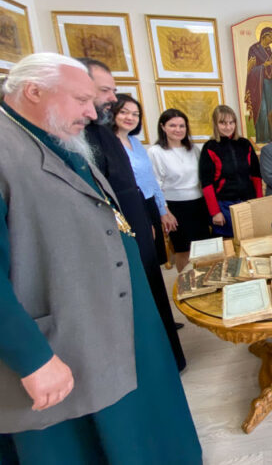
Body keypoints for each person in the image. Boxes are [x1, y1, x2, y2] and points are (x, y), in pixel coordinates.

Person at [0, 53, 201, 463]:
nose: (93, 113)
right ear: (34, 91)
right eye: (81, 100)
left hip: (110, 325)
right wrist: (32, 358)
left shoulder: (56, 136)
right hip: (62, 341)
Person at [78, 57, 186, 371]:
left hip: (141, 212)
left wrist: (154, 214)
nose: (116, 104)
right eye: (108, 93)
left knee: (152, 280)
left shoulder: (130, 143)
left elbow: (144, 182)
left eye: (134, 113)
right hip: (122, 224)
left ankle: (167, 345)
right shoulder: (93, 137)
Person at [111, 94, 175, 267]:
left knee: (154, 259)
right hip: (131, 208)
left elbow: (150, 179)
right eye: (124, 112)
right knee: (141, 259)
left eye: (135, 114)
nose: (130, 117)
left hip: (149, 204)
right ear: (112, 113)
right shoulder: (110, 145)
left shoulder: (135, 142)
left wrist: (162, 210)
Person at [148, 109, 211, 271]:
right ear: (163, 127)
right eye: (172, 125)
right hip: (175, 208)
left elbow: (202, 179)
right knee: (183, 250)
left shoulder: (194, 149)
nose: (178, 129)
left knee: (204, 249)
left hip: (198, 205)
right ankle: (185, 282)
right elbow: (155, 185)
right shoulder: (156, 152)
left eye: (182, 126)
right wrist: (165, 212)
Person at [199, 105, 262, 236]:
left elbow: (256, 175)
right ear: (215, 124)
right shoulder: (209, 147)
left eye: (231, 122)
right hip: (224, 206)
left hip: (248, 202)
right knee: (229, 243)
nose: (228, 127)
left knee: (250, 239)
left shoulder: (245, 144)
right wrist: (215, 212)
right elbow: (206, 184)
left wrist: (259, 202)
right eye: (223, 123)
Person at [245, 26, 272, 143]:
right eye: (270, 37)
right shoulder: (254, 49)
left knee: (271, 109)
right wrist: (263, 66)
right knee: (262, 109)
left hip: (268, 83)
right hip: (257, 84)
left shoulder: (268, 50)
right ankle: (263, 138)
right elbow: (250, 70)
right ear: (263, 36)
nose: (271, 40)